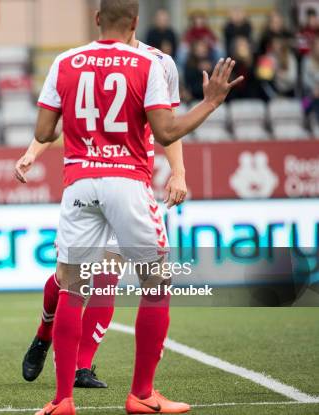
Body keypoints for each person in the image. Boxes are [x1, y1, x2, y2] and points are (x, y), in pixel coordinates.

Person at [29, 1, 242, 414]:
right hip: (126, 180)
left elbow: (43, 130)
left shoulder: (66, 61)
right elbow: (166, 131)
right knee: (156, 284)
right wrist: (210, 102)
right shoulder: (148, 63)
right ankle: (142, 395)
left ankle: (61, 402)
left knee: (72, 287)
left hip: (79, 183)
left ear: (96, 20)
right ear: (135, 23)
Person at [17, 30, 187, 390]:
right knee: (69, 279)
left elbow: (166, 127)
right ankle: (43, 333)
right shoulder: (84, 62)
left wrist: (179, 172)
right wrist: (34, 151)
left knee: (107, 274)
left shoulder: (158, 63)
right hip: (90, 179)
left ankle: (81, 367)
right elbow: (65, 124)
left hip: (127, 183)